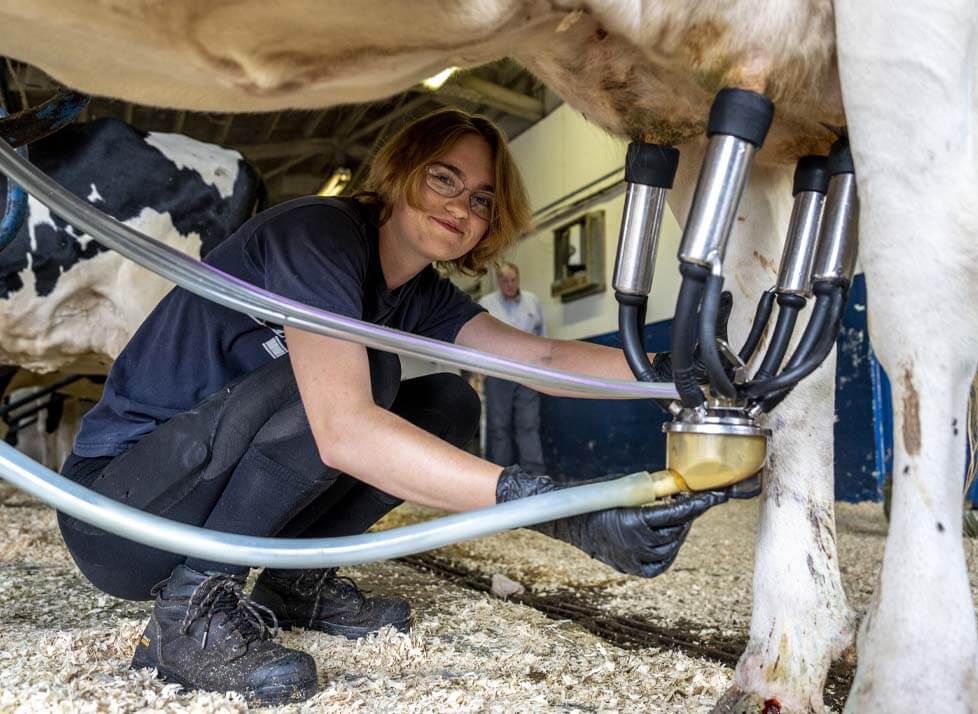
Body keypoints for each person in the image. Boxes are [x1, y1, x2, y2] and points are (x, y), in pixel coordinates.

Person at [56, 108, 730, 705]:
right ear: (401, 172)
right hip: (121, 519)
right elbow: (344, 430)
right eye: (445, 179)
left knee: (445, 402)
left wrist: (673, 375)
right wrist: (555, 509)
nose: (463, 207)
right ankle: (189, 618)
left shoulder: (416, 290)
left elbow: (542, 361)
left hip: (192, 492)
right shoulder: (320, 236)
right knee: (360, 375)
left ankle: (297, 581)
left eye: (483, 201)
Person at [479, 262, 547, 473]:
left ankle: (535, 477)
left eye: (512, 279)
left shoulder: (532, 301)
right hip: (498, 372)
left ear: (518, 278)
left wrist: (544, 368)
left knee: (528, 425)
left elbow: (542, 335)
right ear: (498, 281)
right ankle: (503, 479)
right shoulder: (486, 303)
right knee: (500, 429)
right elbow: (480, 338)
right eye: (504, 280)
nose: (509, 284)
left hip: (528, 372)